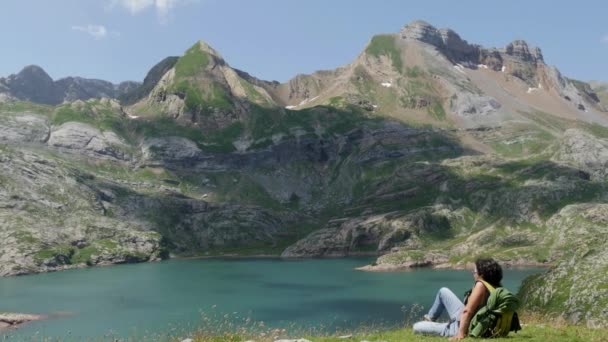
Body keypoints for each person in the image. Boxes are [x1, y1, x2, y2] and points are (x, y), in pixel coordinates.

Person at [412, 258, 503, 340]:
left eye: (475, 271)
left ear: (482, 274)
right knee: (443, 291)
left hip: (461, 326)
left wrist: (460, 333)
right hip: (469, 320)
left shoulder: (480, 285)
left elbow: (468, 311)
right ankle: (430, 319)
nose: (473, 273)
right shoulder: (495, 286)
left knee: (417, 327)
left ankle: (442, 326)